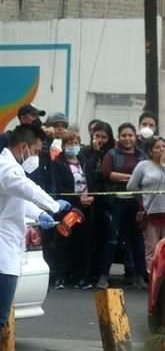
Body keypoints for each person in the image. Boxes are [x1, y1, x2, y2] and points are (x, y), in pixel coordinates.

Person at [0, 125, 72, 351]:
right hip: (2, 255)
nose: (37, 158)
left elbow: (22, 202)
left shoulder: (10, 170)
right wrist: (54, 206)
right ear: (23, 148)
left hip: (9, 252)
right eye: (37, 151)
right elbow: (25, 188)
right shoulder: (7, 168)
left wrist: (42, 215)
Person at [98, 123, 147, 290]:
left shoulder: (142, 156)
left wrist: (128, 179)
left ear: (135, 137)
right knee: (112, 239)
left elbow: (146, 176)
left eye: (130, 135)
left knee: (137, 240)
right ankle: (103, 276)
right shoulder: (111, 154)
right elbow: (107, 173)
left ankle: (141, 276)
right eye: (124, 135)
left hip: (135, 202)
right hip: (116, 202)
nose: (127, 138)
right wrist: (133, 177)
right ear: (119, 137)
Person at [127, 137, 165, 271]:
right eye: (157, 147)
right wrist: (144, 194)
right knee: (151, 248)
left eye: (164, 146)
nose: (161, 150)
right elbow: (131, 186)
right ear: (150, 151)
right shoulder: (143, 166)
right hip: (151, 212)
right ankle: (151, 275)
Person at [49, 130, 95, 289]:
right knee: (63, 241)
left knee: (82, 243)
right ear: (63, 145)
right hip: (68, 209)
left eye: (76, 143)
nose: (73, 146)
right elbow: (59, 188)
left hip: (86, 208)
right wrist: (77, 200)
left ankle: (81, 276)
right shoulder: (57, 163)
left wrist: (90, 198)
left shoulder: (85, 161)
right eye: (69, 143)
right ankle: (59, 276)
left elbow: (92, 182)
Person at [82, 122, 114, 288]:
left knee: (105, 238)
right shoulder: (86, 152)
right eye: (97, 136)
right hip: (89, 201)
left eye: (104, 137)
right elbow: (88, 173)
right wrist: (95, 153)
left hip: (106, 202)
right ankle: (88, 273)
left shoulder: (111, 153)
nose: (100, 140)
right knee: (90, 239)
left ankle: (101, 272)